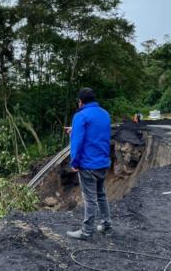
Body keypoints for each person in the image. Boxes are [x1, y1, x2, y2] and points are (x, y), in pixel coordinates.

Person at [64, 87, 112, 240]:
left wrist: (75, 162)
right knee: (101, 195)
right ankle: (106, 226)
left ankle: (86, 232)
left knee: (89, 198)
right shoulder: (104, 114)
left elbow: (77, 143)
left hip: (88, 164)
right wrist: (75, 129)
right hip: (103, 162)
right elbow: (97, 132)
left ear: (80, 102)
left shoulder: (81, 115)